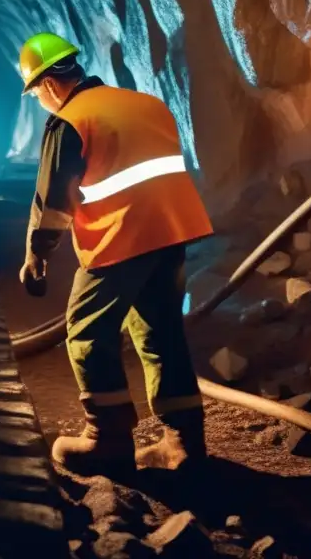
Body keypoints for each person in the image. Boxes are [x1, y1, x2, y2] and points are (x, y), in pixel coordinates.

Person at [17, 32, 213, 476]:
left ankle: (105, 441)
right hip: (171, 231)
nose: (41, 103)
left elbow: (54, 202)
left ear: (48, 85)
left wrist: (37, 255)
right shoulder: (146, 104)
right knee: (161, 334)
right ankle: (184, 443)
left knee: (87, 334)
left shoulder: (70, 119)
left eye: (36, 95)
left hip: (121, 237)